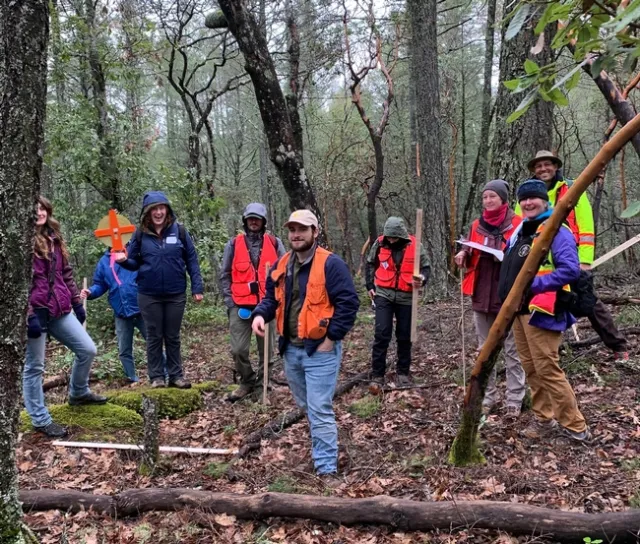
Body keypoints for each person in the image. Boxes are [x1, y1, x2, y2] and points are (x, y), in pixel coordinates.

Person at [251, 210, 359, 481]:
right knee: (308, 406)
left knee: (319, 407)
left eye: (302, 229)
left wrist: (330, 339)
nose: (296, 235)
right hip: (290, 350)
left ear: (315, 232)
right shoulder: (282, 264)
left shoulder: (331, 264)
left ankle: (326, 470)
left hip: (319, 350)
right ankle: (327, 446)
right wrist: (260, 315)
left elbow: (349, 304)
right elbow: (270, 299)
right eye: (292, 230)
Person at [499, 180, 590, 442]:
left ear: (545, 201)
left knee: (547, 368)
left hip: (544, 308)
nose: (528, 203)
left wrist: (535, 285)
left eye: (533, 199)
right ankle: (543, 418)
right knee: (531, 368)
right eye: (524, 199)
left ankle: (575, 426)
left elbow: (570, 269)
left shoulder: (555, 230)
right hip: (519, 311)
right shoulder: (522, 232)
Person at [520, 150, 628, 361]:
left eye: (547, 164)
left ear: (555, 166)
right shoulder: (526, 194)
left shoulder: (571, 188)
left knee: (589, 303)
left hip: (569, 259)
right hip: (538, 264)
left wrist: (585, 260)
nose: (543, 169)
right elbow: (519, 225)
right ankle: (546, 354)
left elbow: (586, 224)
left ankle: (618, 346)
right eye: (539, 166)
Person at [26, 196, 107, 438]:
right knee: (34, 367)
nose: (40, 212)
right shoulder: (21, 239)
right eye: (35, 208)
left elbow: (66, 274)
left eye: (43, 208)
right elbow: (16, 284)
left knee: (87, 349)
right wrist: (29, 315)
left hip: (59, 309)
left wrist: (75, 302)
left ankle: (78, 393)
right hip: (35, 312)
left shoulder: (54, 237)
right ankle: (40, 419)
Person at [115, 191, 203, 389]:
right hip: (148, 294)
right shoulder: (140, 234)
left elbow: (191, 259)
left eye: (162, 208)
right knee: (154, 335)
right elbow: (134, 261)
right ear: (147, 212)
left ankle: (176, 376)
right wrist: (124, 261)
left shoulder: (179, 231)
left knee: (172, 335)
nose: (158, 212)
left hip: (175, 293)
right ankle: (156, 377)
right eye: (154, 209)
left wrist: (197, 286)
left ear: (167, 210)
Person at [455, 180, 526, 418]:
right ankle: (488, 397)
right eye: (485, 197)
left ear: (503, 199)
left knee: (512, 350)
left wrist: (505, 258)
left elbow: (526, 254)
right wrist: (463, 253)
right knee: (484, 351)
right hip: (481, 293)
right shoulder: (477, 224)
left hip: (508, 295)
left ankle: (515, 400)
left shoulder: (518, 223)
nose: (488, 201)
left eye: (492, 197)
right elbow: (471, 248)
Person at [220, 203, 286, 401]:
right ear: (245, 220)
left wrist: (279, 300)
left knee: (267, 352)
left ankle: (262, 386)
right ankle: (246, 381)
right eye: (250, 218)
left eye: (257, 218)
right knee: (238, 350)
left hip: (267, 307)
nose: (253, 221)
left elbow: (285, 273)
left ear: (264, 221)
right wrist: (230, 301)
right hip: (240, 306)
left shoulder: (275, 243)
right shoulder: (233, 244)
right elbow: (224, 274)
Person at [81, 243, 166, 383]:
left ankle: (166, 373)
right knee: (124, 349)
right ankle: (133, 379)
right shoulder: (104, 261)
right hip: (121, 312)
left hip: (142, 309)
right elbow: (100, 284)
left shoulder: (135, 254)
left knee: (153, 342)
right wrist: (90, 292)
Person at [365, 216, 430, 388]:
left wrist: (422, 279)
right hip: (383, 294)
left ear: (401, 235)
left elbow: (426, 268)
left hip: (407, 296)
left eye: (394, 237)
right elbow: (370, 263)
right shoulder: (379, 244)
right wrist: (369, 284)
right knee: (382, 333)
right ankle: (377, 375)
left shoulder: (416, 246)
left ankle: (402, 373)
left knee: (404, 335)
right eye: (389, 237)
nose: (391, 240)